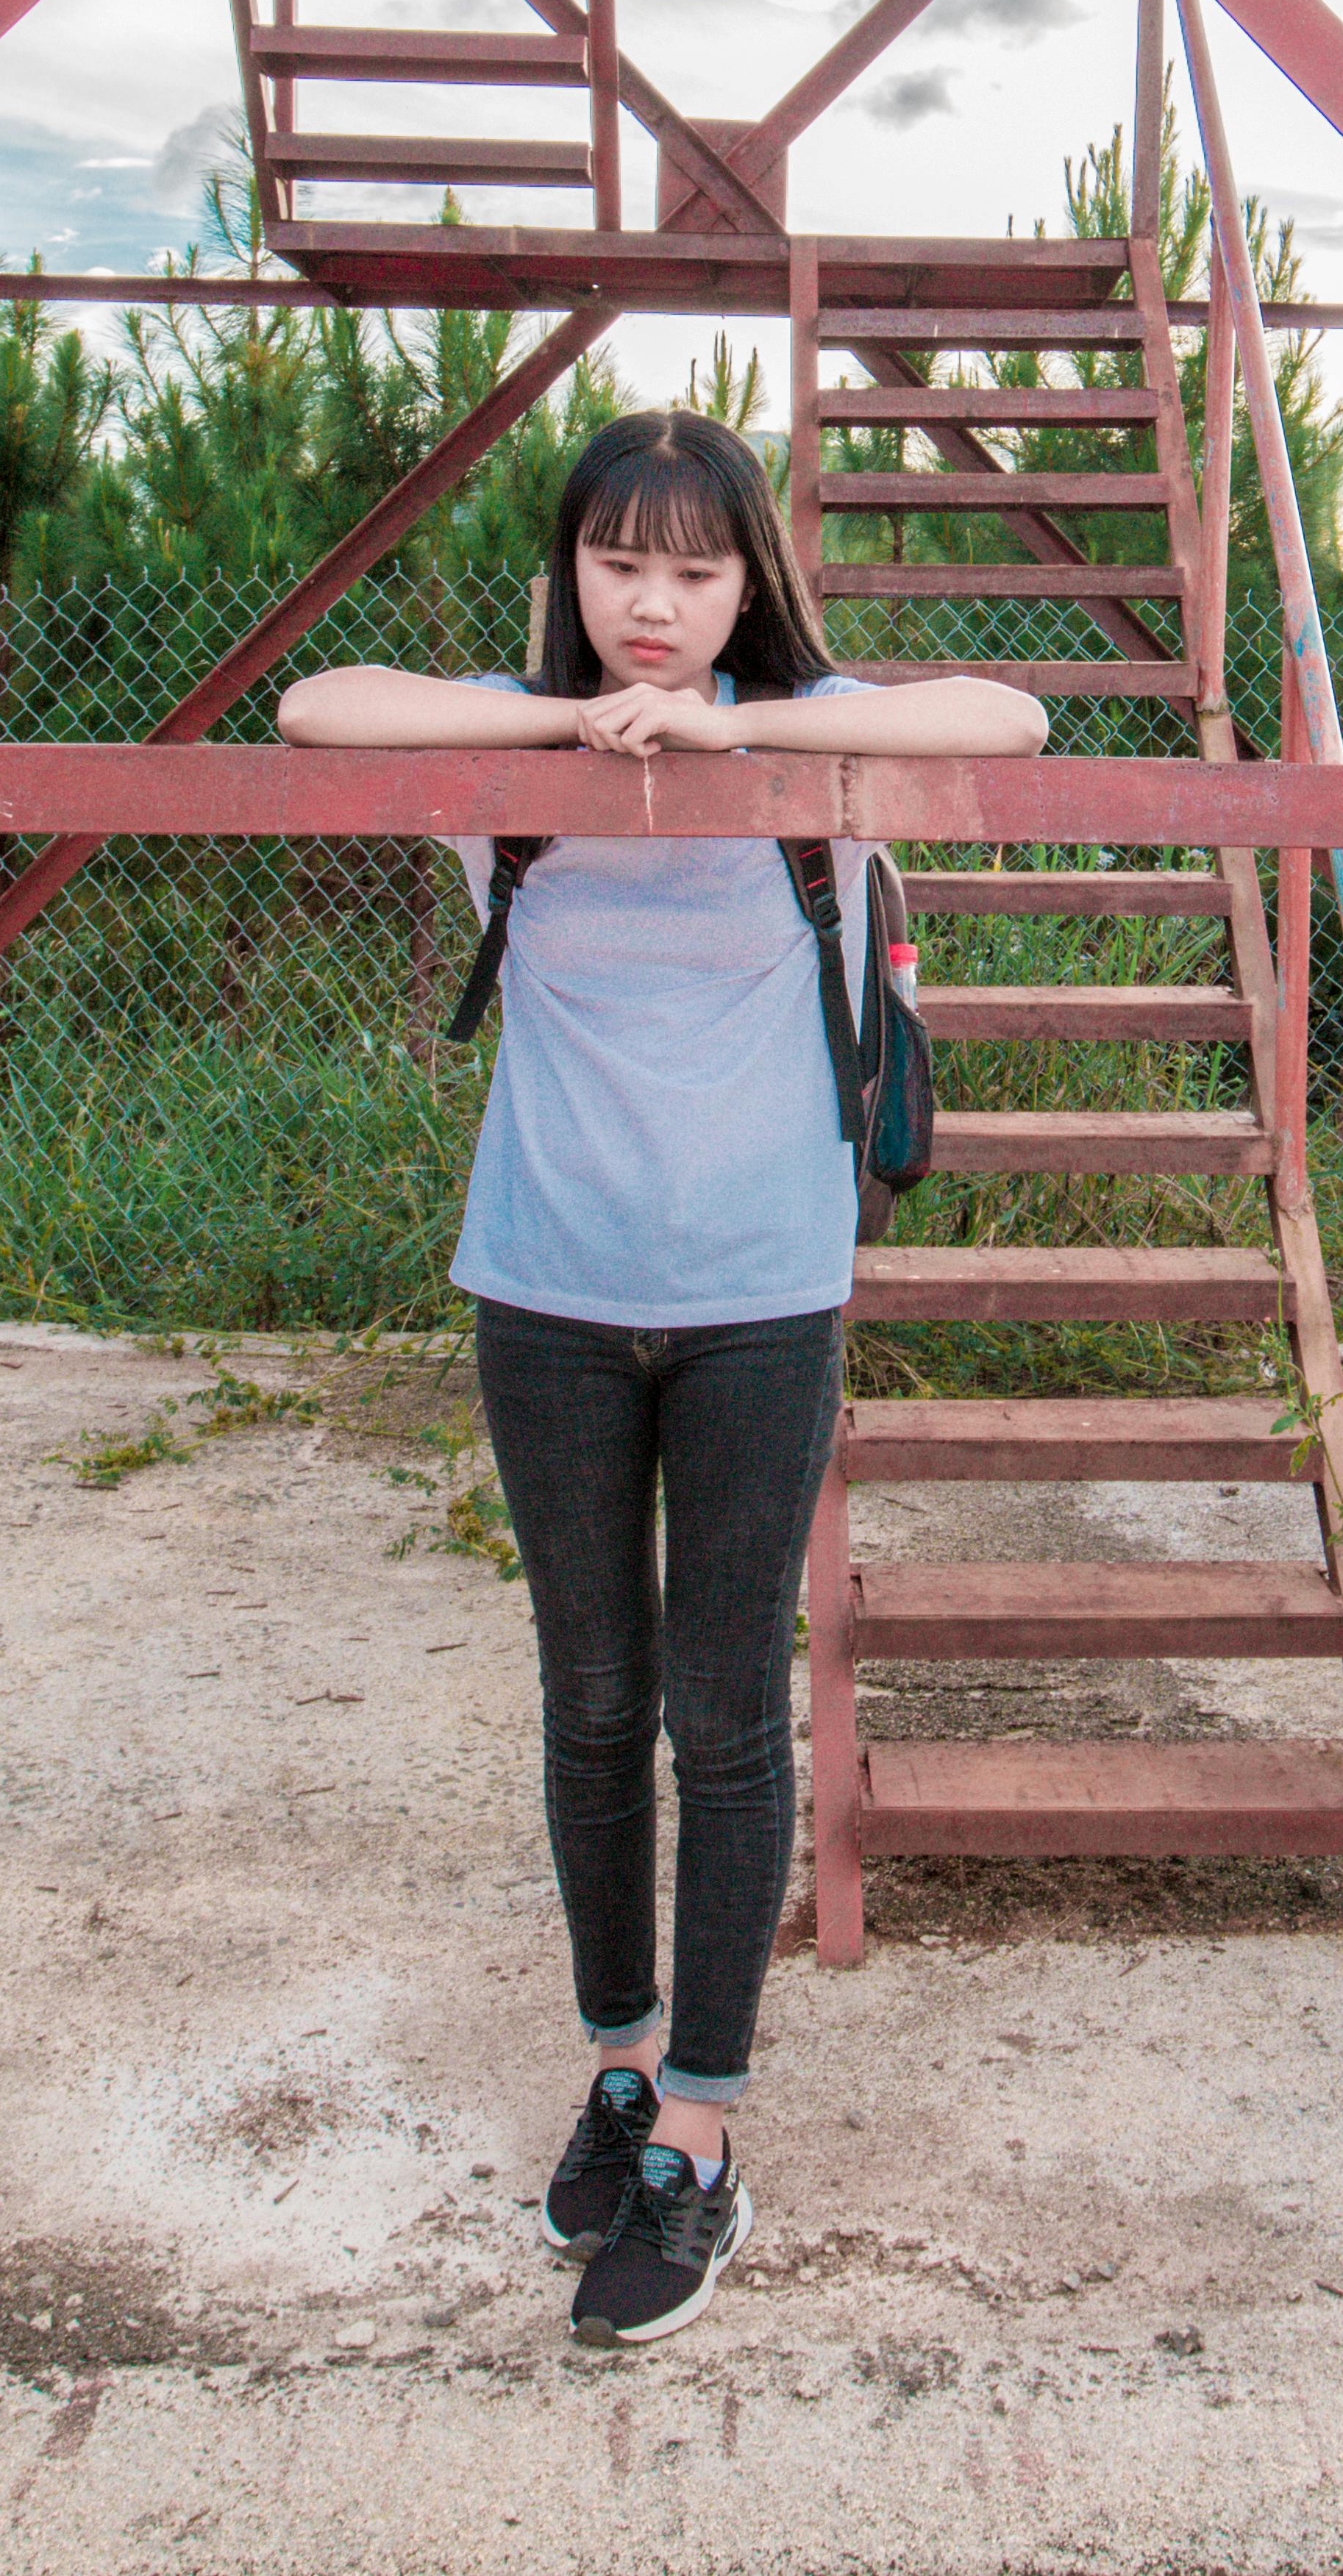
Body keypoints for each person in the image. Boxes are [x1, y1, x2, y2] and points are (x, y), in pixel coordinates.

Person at [277, 408, 1047, 2347]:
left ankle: (701, 2131)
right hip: (542, 1280)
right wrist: (562, 726)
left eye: (694, 568)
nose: (653, 601)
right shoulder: (505, 741)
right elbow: (312, 703)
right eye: (619, 561)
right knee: (588, 1699)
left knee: (724, 1713)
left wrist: (737, 729)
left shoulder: (817, 735)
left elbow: (1014, 718)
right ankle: (617, 2062)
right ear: (571, 570)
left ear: (747, 581)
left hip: (762, 1294)